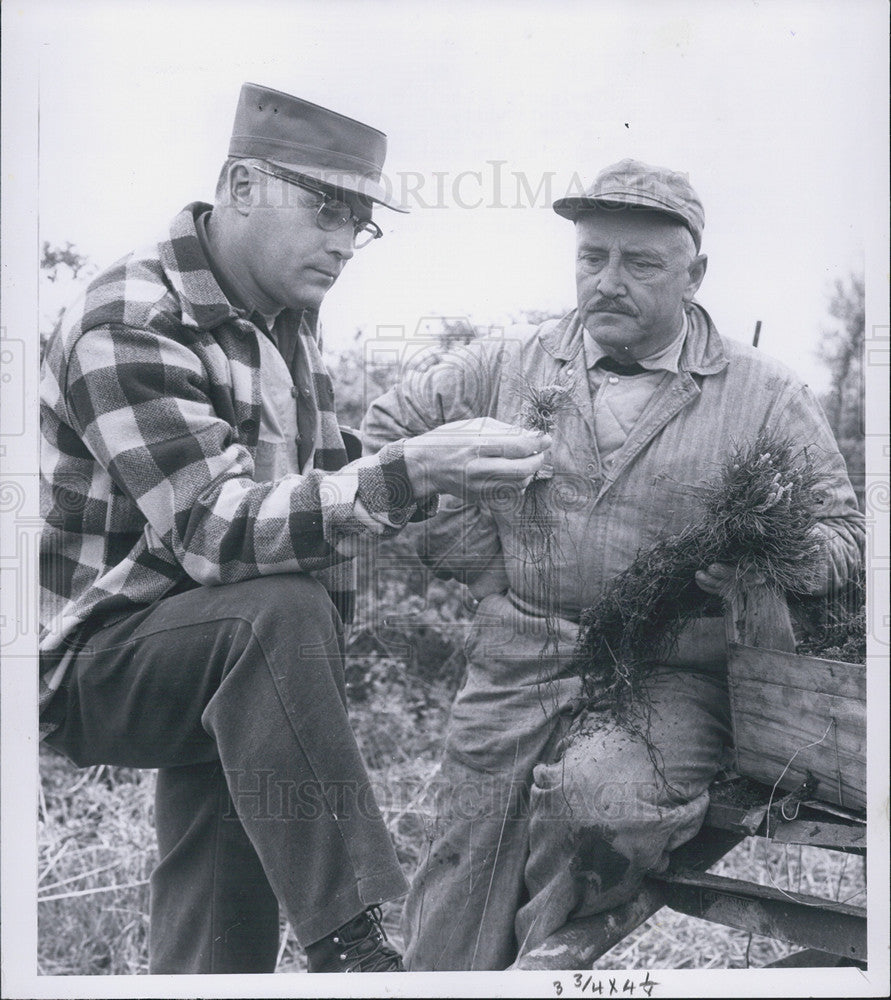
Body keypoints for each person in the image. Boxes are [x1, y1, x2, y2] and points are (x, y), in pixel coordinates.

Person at [38, 82, 550, 974]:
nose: (346, 242)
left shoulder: (280, 319)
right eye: (326, 209)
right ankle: (351, 948)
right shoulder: (130, 318)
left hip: (214, 648)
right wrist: (414, 469)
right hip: (93, 662)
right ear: (239, 185)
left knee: (218, 922)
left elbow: (304, 479)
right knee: (275, 615)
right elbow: (216, 530)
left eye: (361, 221)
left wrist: (442, 474)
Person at [362, 158, 865, 970]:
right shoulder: (512, 364)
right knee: (459, 879)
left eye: (640, 264)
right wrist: (471, 555)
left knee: (599, 807)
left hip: (672, 670)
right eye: (591, 258)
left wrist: (773, 559)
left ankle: (544, 973)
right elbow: (385, 434)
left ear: (693, 275)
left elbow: (846, 534)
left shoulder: (762, 393)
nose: (607, 282)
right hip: (519, 655)